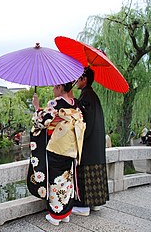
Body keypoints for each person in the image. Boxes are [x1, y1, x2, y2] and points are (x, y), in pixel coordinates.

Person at [27, 81, 85, 226]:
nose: (53, 89)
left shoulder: (56, 103)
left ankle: (55, 215)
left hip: (57, 147)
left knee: (56, 180)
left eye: (54, 87)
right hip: (71, 147)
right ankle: (65, 212)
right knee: (67, 179)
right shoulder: (74, 103)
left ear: (60, 87)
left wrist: (36, 107)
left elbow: (41, 122)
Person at [73, 67, 109, 216]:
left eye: (78, 78)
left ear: (84, 79)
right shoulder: (92, 95)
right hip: (97, 143)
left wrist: (74, 103)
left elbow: (84, 121)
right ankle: (96, 203)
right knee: (96, 172)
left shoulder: (86, 97)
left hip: (88, 143)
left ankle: (83, 207)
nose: (75, 82)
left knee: (86, 172)